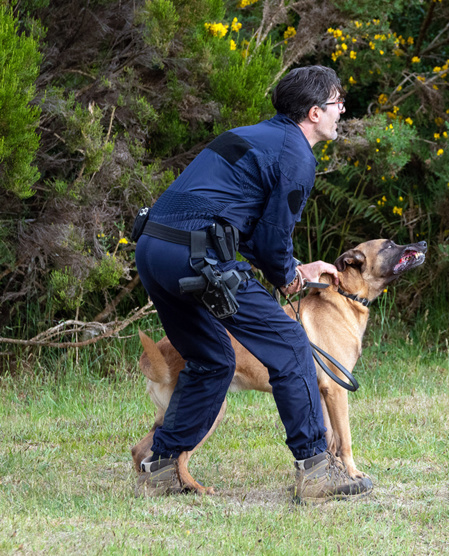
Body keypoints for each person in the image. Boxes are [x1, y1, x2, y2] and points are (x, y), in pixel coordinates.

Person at [133, 65, 371, 502]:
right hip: (196, 255)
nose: (342, 112)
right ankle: (316, 471)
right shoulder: (297, 156)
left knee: (211, 359)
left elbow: (256, 236)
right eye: (339, 103)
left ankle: (161, 466)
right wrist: (290, 277)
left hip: (152, 248)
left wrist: (293, 269)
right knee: (290, 345)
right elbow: (272, 240)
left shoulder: (254, 135)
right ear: (315, 112)